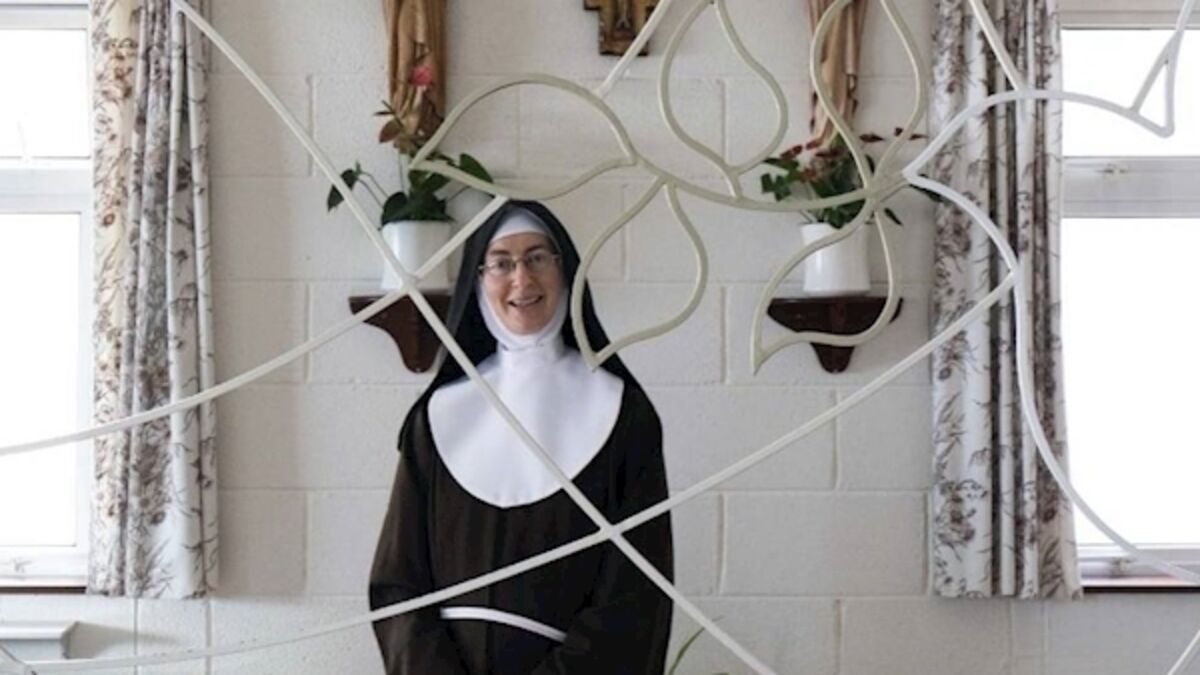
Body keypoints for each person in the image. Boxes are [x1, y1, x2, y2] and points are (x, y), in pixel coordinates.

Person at [368, 200, 675, 674]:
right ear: (478, 280)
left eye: (537, 258)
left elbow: (634, 597)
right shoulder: (437, 416)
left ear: (565, 271)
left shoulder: (624, 414)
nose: (522, 279)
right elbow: (398, 583)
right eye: (502, 263)